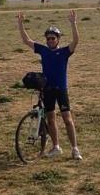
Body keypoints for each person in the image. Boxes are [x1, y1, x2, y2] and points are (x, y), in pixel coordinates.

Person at [17, 10, 82, 160]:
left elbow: (76, 41)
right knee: (51, 119)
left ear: (58, 39)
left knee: (67, 119)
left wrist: (73, 24)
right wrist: (21, 24)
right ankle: (56, 146)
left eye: (53, 38)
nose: (50, 41)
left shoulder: (65, 52)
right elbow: (26, 41)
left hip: (61, 89)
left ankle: (75, 148)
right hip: (47, 89)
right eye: (48, 39)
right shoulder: (43, 50)